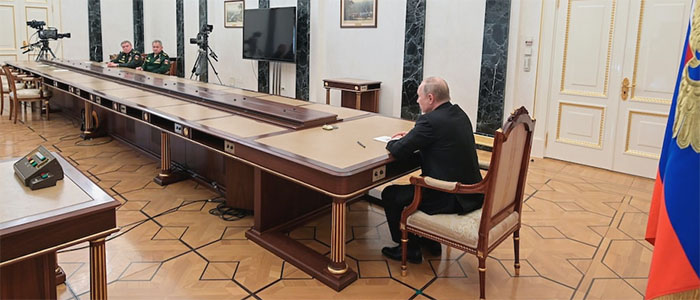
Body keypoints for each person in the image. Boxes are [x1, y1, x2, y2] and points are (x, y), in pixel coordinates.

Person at [381, 77, 484, 264]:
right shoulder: (459, 114)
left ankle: (409, 248)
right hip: (474, 193)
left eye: (419, 96)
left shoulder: (429, 121)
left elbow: (398, 150)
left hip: (451, 195)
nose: (416, 100)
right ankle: (431, 242)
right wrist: (413, 135)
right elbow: (441, 140)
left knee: (390, 194)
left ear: (430, 98)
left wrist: (393, 140)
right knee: (415, 187)